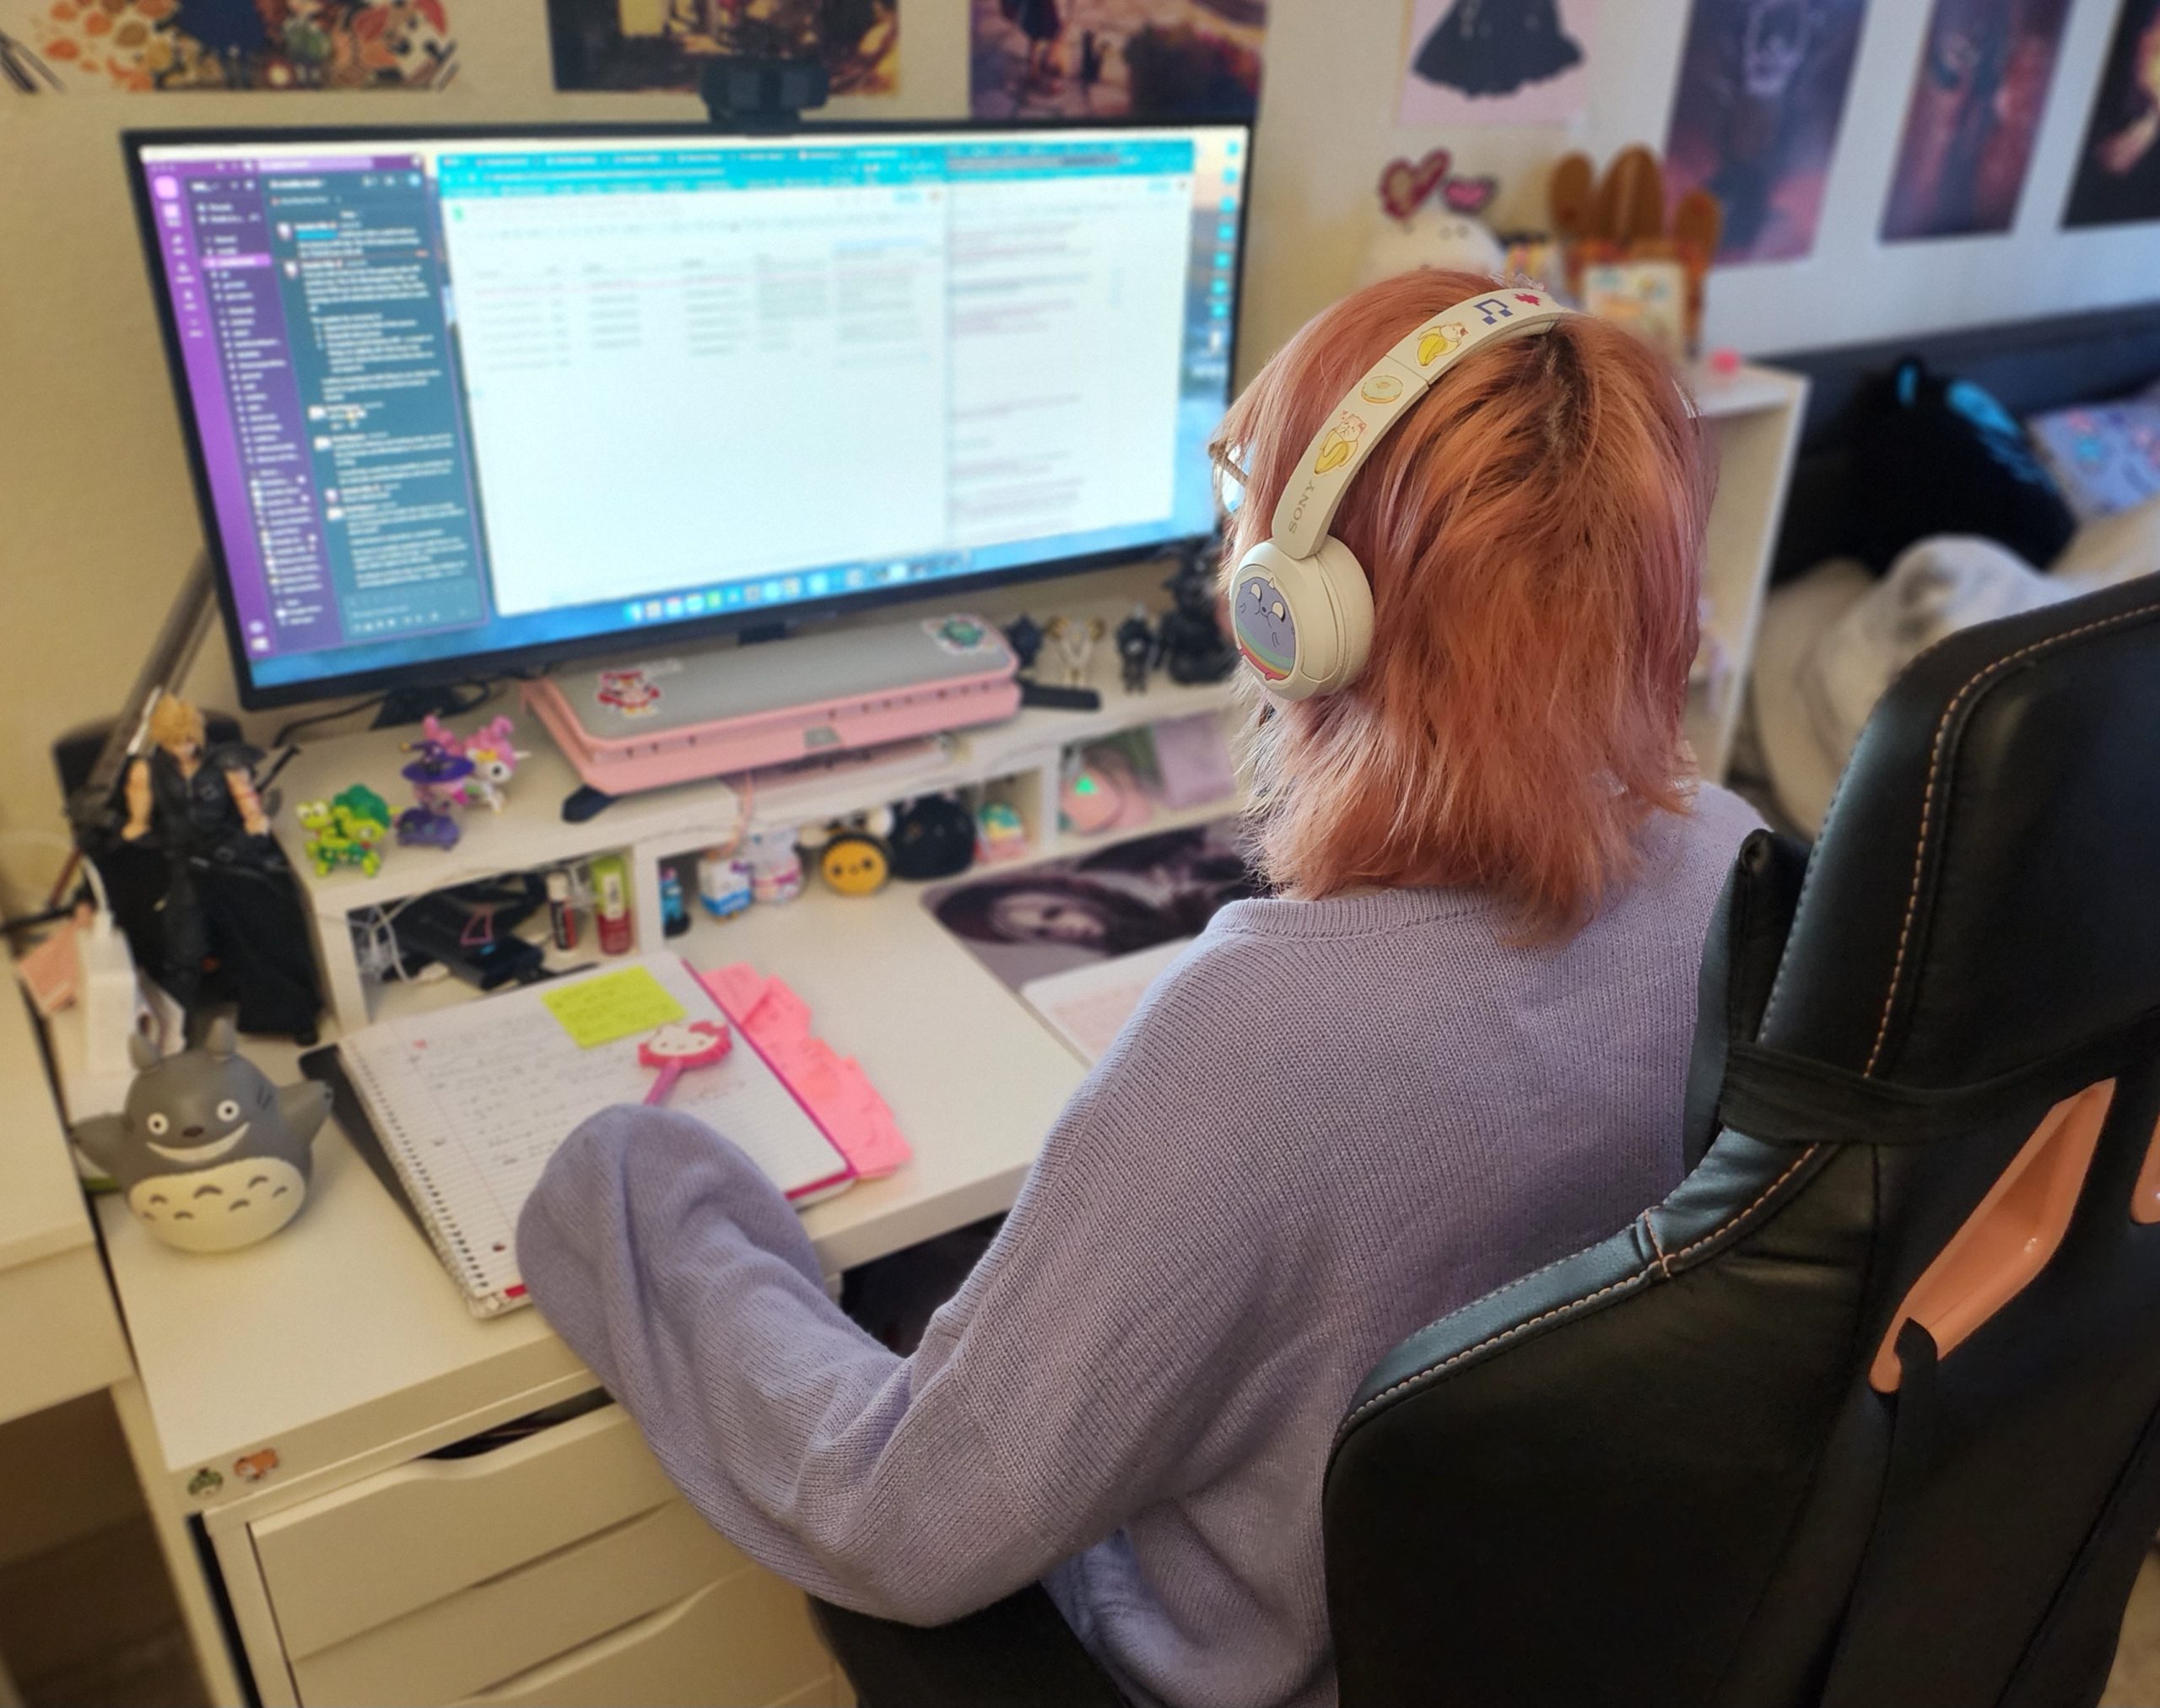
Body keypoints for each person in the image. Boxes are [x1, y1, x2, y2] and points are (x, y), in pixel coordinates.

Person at [516, 269, 1762, 1708]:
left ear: (1294, 613)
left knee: (894, 1288)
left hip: (1254, 1657)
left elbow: (897, 1519)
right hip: (1506, 1619)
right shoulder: (1738, 866)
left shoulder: (1268, 1039)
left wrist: (640, 1179)